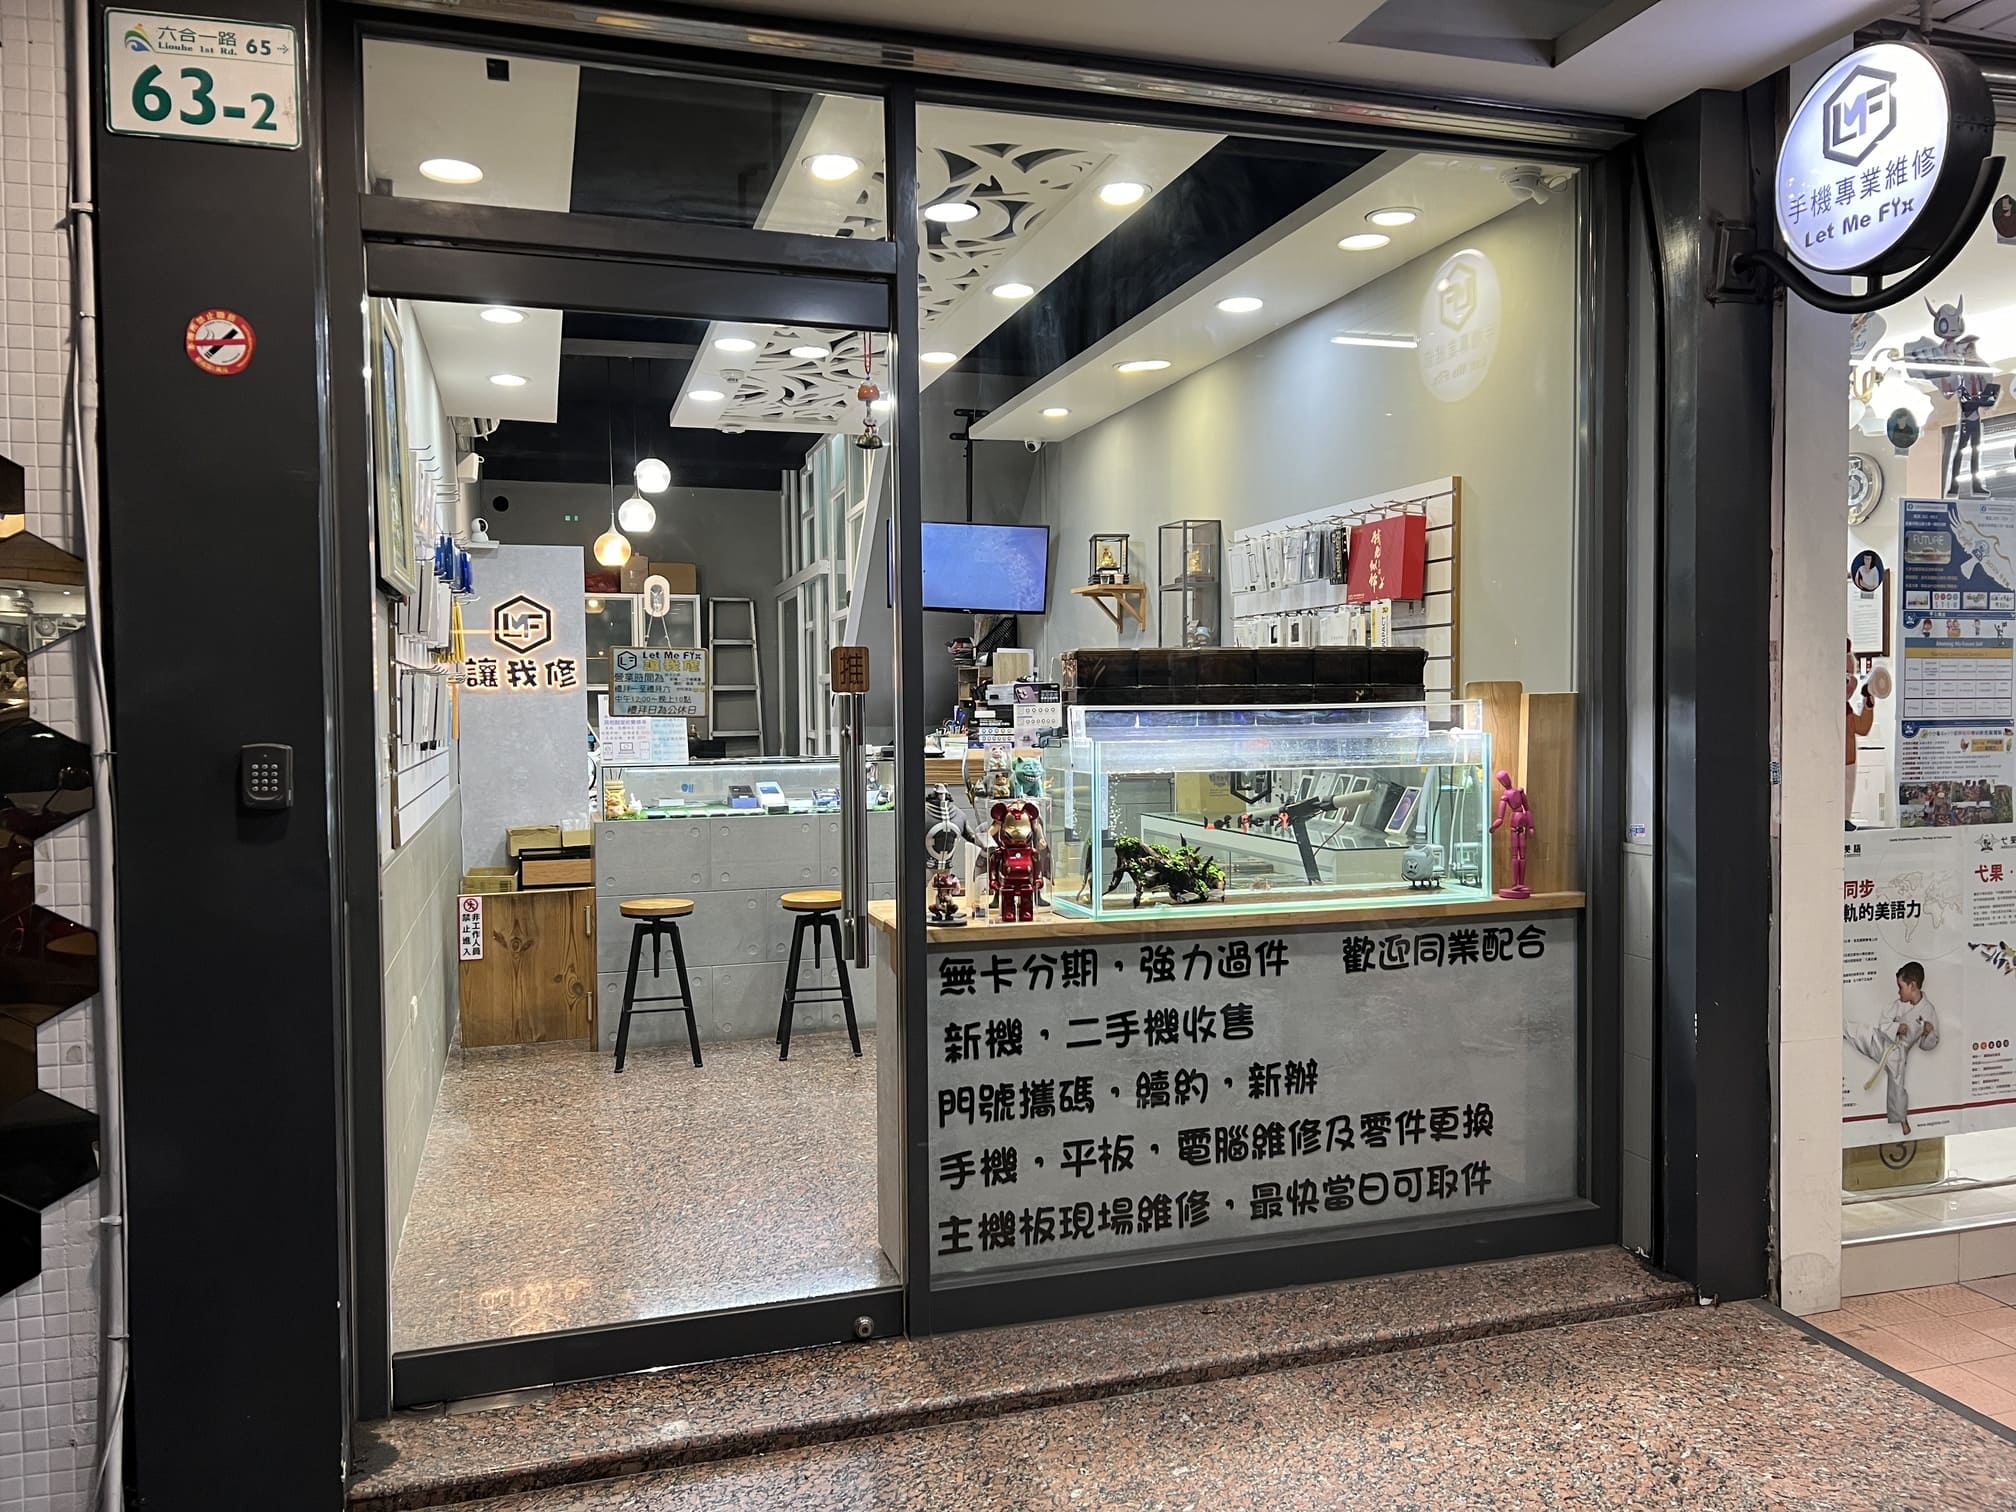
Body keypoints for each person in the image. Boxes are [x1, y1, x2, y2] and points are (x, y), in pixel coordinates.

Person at [1843, 961, 1940, 1136]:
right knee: (1860, 1032)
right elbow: (1883, 1024)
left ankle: (1902, 1120)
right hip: (1882, 1042)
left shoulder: (1928, 1011)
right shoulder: (1899, 1004)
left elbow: (1928, 1044)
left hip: (1899, 1054)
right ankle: (1839, 1028)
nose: (1898, 992)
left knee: (1897, 1086)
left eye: (1901, 987)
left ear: (1912, 986)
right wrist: (1896, 1028)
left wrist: (1928, 1034)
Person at [1846, 640, 1874, 829]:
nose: (1849, 681)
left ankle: (1844, 819)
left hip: (1849, 761)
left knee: (1847, 789)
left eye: (1850, 674)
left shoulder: (1847, 711)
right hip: (1829, 761)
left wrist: (1868, 703)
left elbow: (1862, 727)